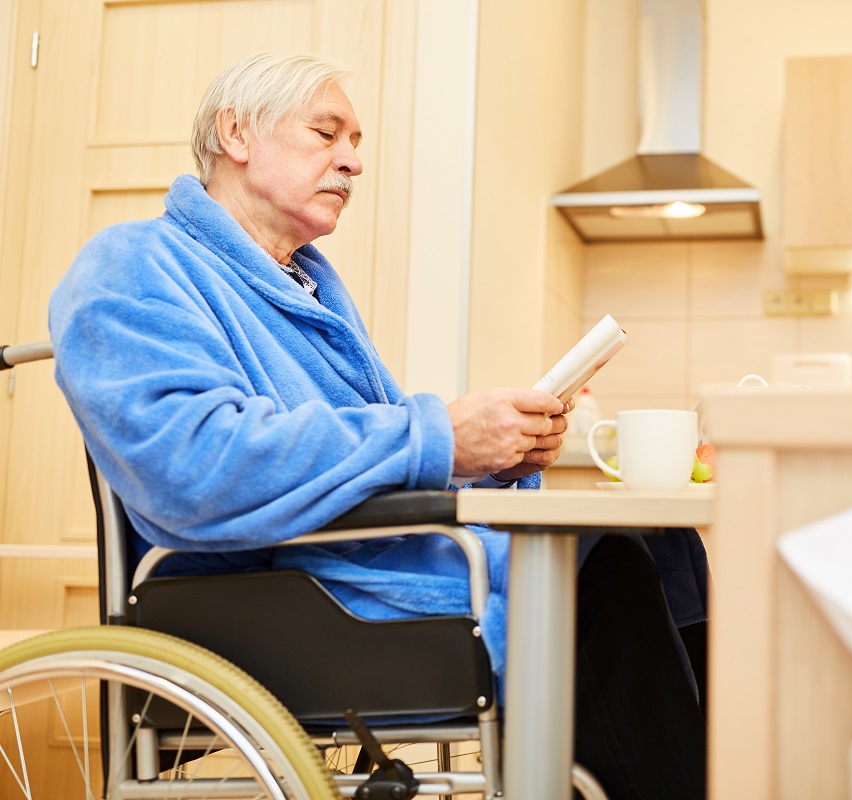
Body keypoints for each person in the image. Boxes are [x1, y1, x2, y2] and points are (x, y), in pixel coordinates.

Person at [48, 52, 706, 798]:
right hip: (270, 592)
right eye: (327, 134)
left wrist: (488, 454)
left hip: (357, 564)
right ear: (235, 133)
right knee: (600, 562)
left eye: (356, 142)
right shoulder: (135, 267)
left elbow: (381, 448)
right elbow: (192, 466)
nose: (352, 162)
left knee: (665, 545)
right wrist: (439, 437)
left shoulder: (311, 288)